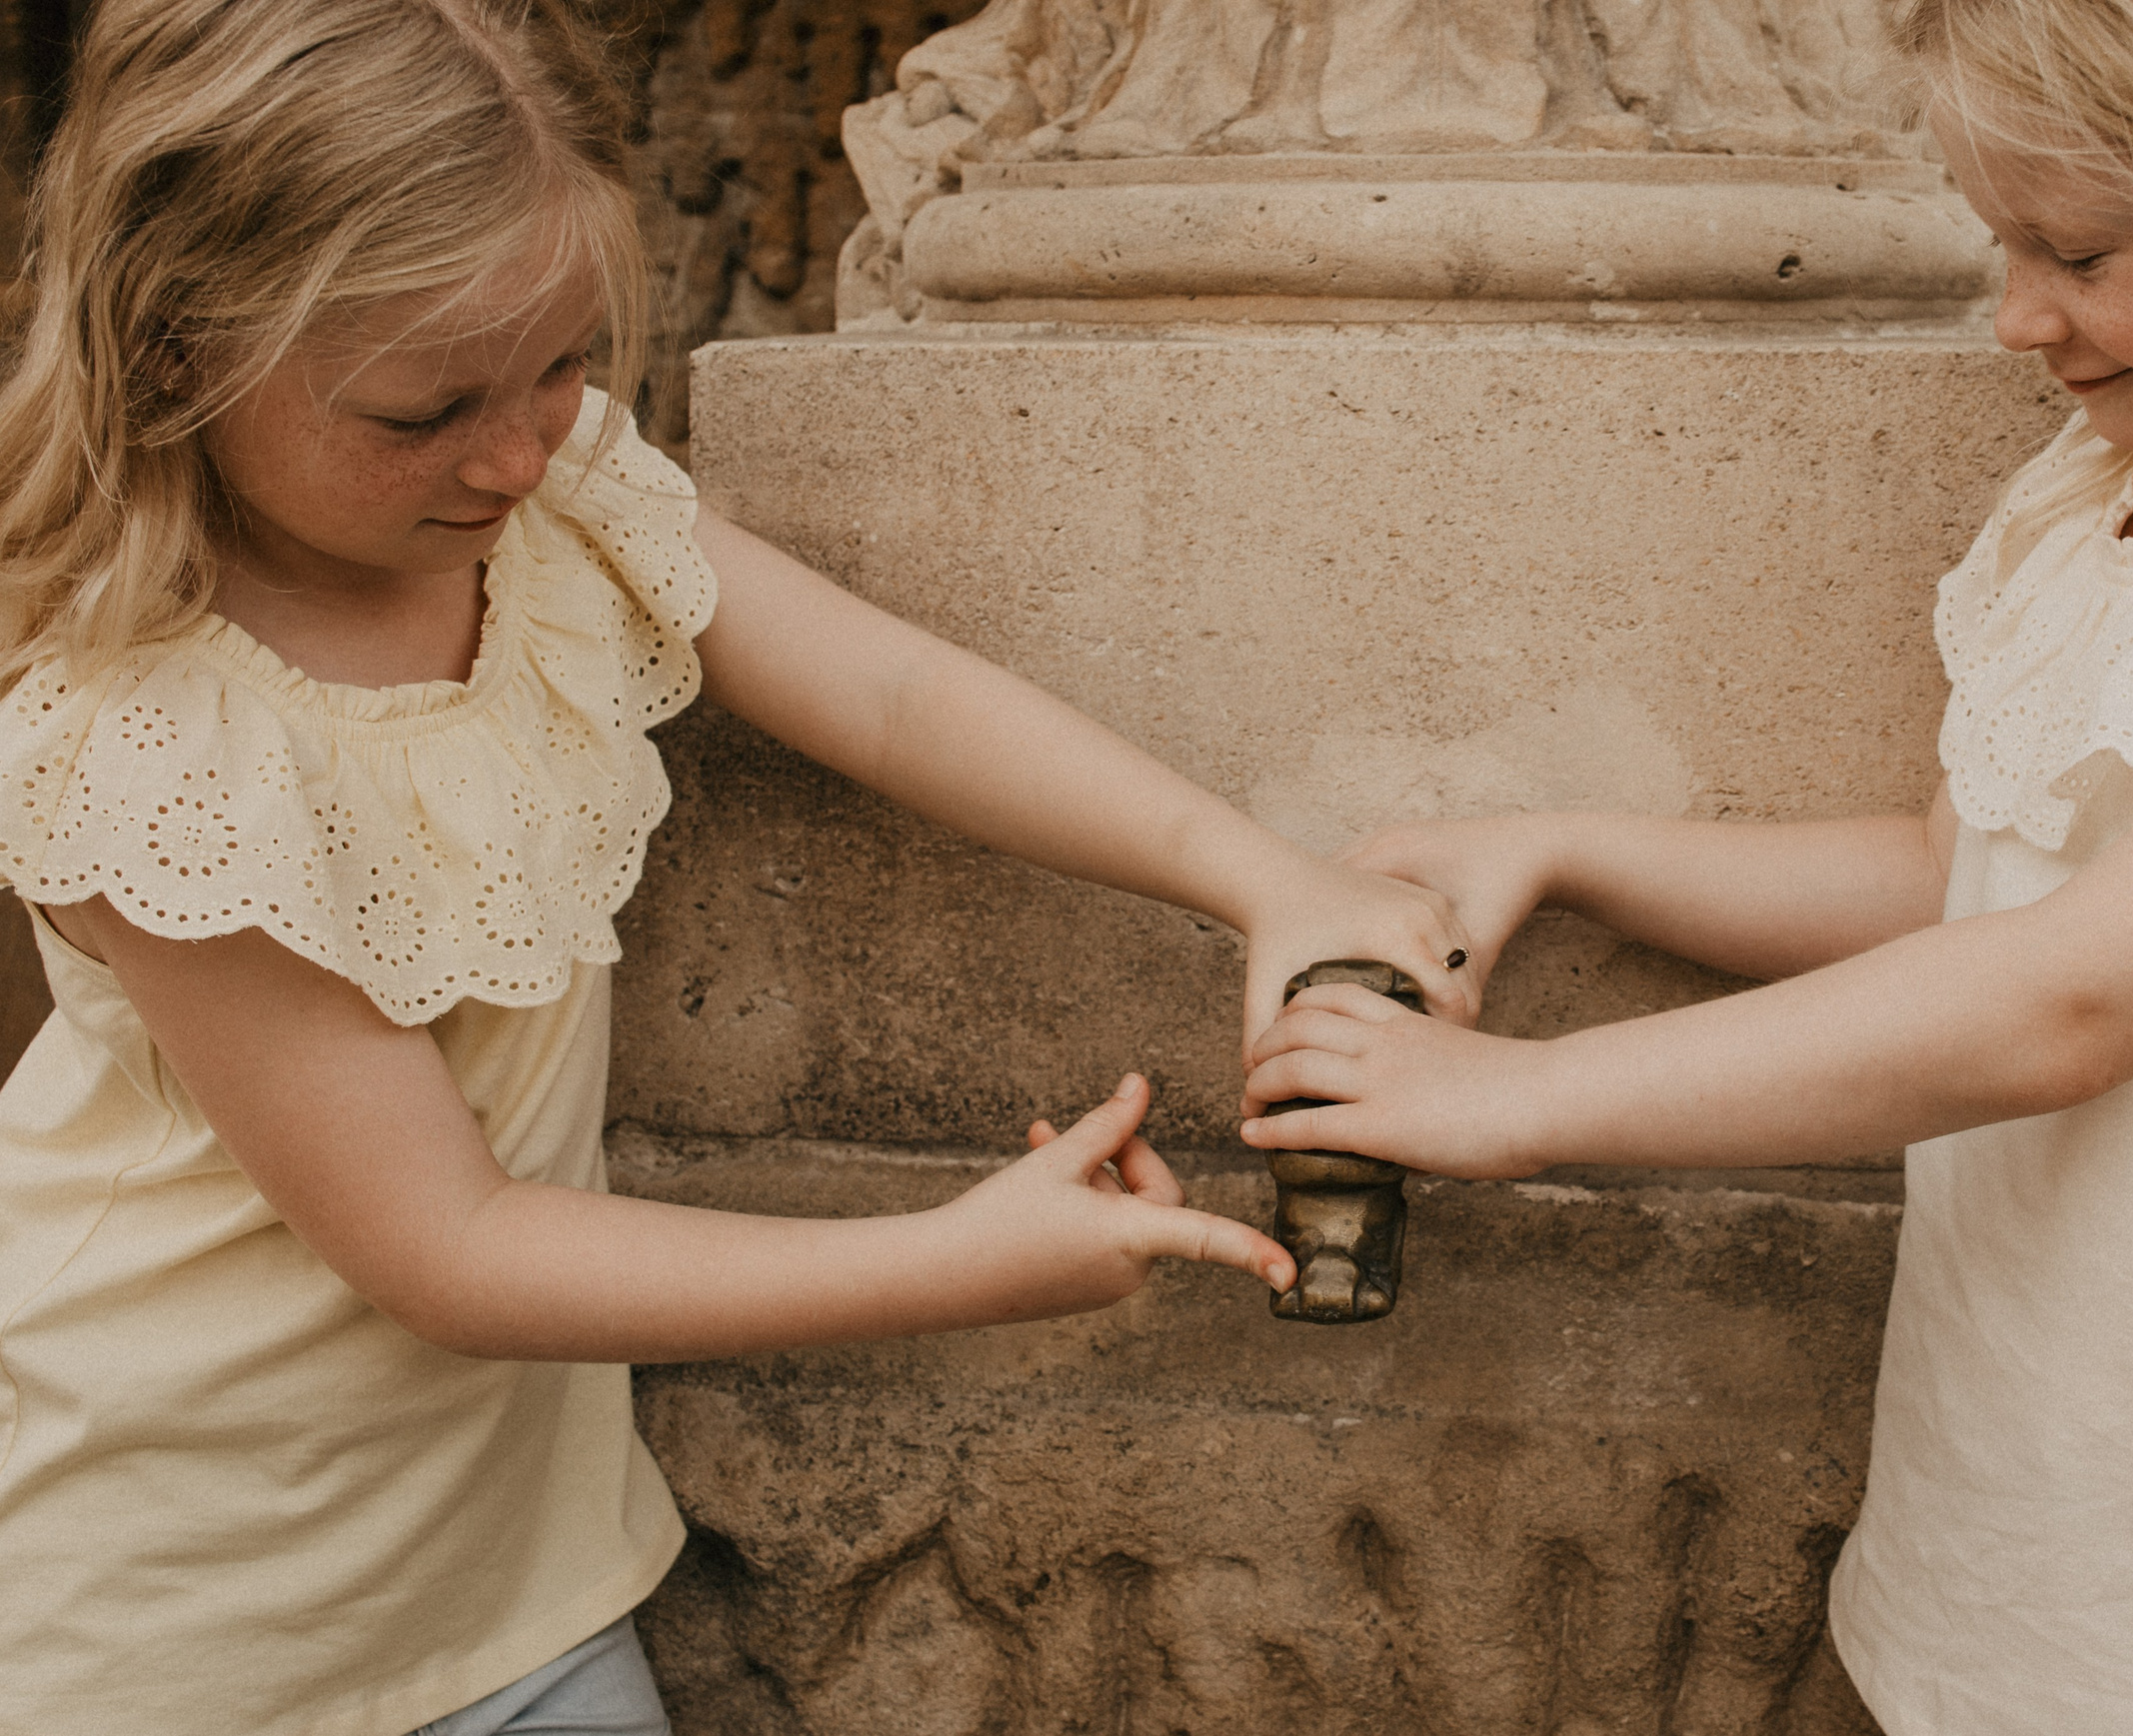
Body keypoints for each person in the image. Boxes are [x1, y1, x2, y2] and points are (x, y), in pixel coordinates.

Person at [0, 3, 1476, 1731]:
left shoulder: (555, 504)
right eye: (428, 407)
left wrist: (1258, 875)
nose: (515, 447)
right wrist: (955, 1261)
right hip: (177, 1634)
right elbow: (452, 1249)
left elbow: (893, 691)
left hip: (517, 1596)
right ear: (179, 353)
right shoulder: (156, 748)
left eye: (559, 365)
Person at [1241, 0, 2133, 1727]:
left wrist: (1527, 1096)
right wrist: (1564, 847)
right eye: (1999, 242)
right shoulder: (2099, 499)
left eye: (2075, 250)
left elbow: (2072, 995)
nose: (2018, 317)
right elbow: (1970, 875)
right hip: (2024, 1538)